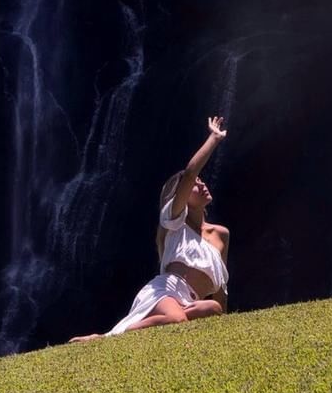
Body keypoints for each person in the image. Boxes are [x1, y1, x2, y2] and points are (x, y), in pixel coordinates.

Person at [71, 115, 230, 341]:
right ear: (181, 196)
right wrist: (214, 138)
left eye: (202, 182)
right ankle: (107, 337)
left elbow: (222, 290)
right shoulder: (174, 222)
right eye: (195, 185)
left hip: (191, 300)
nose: (201, 184)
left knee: (213, 308)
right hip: (165, 291)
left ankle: (173, 317)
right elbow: (189, 173)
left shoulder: (221, 234)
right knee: (176, 321)